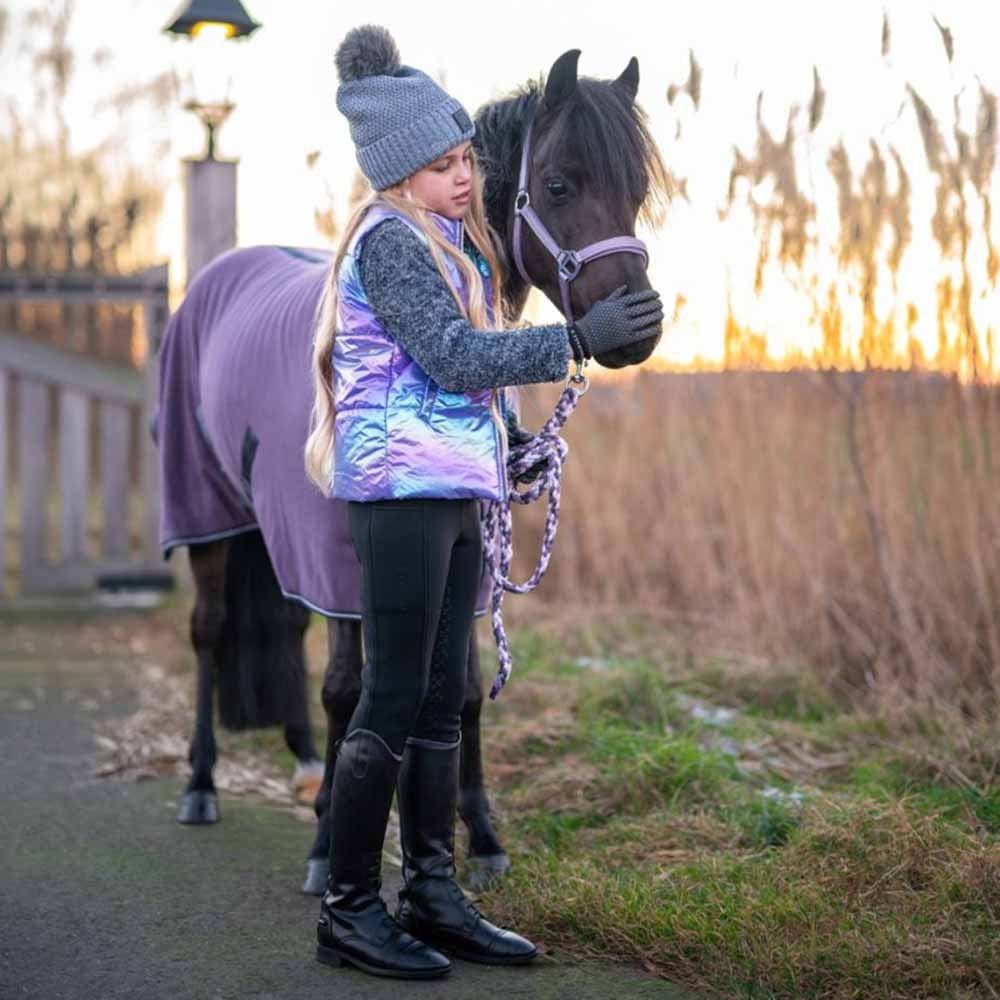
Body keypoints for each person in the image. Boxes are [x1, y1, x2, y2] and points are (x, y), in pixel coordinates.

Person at [304, 24, 663, 980]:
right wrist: (576, 340)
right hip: (399, 491)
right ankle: (347, 908)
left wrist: (512, 449)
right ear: (395, 176)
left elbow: (463, 393)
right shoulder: (390, 249)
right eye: (439, 165)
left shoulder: (457, 253)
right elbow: (452, 360)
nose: (464, 177)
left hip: (451, 483)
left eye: (465, 157)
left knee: (439, 702)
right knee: (389, 696)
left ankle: (431, 890)